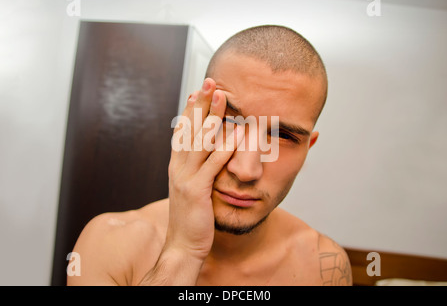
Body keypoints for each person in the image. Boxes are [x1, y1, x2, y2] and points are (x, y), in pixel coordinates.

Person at [67, 25, 352, 286]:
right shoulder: (108, 243)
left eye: (283, 136)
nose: (245, 170)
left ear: (308, 147)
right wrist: (182, 252)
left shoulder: (323, 265)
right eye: (228, 121)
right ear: (193, 120)